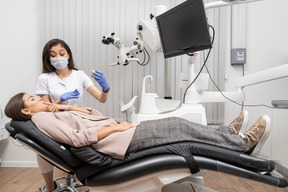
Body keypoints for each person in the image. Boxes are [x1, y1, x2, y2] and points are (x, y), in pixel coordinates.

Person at [6, 92, 271, 158]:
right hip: (120, 141)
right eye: (33, 99)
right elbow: (77, 138)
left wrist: (65, 106)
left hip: (123, 135)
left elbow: (91, 113)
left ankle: (227, 133)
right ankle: (241, 144)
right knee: (180, 126)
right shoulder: (40, 118)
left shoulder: (51, 112)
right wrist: (116, 129)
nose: (39, 98)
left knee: (179, 125)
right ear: (26, 110)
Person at [34, 38, 110, 192]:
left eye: (61, 53)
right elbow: (45, 108)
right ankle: (50, 187)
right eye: (53, 55)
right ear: (48, 59)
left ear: (68, 55)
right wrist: (61, 100)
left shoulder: (80, 75)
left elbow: (101, 99)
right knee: (41, 147)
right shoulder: (44, 78)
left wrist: (105, 87)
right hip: (57, 120)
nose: (58, 58)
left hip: (78, 119)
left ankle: (91, 181)